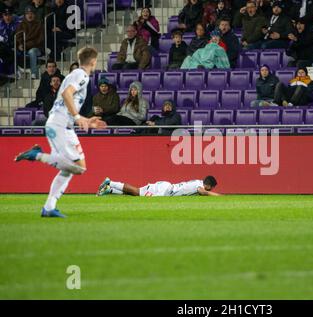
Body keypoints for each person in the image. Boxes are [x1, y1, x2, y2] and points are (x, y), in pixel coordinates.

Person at [14, 47, 106, 218]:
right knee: (78, 168)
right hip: (59, 124)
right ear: (93, 61)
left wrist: (86, 121)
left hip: (64, 124)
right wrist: (78, 117)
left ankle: (49, 207)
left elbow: (67, 100)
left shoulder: (75, 75)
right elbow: (66, 94)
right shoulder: (81, 75)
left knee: (73, 169)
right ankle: (37, 155)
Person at [96, 175, 220, 197]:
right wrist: (220, 196)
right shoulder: (200, 186)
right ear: (209, 186)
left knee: (137, 194)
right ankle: (110, 182)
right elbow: (203, 192)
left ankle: (110, 189)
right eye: (212, 188)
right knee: (137, 192)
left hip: (166, 188)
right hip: (165, 190)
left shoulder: (197, 181)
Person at [15, 5, 44, 79]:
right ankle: (16, 72)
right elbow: (18, 37)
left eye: (31, 13)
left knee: (32, 51)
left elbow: (40, 40)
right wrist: (20, 44)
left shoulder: (39, 24)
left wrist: (26, 45)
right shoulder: (21, 24)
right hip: (24, 47)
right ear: (25, 15)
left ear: (34, 14)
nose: (29, 15)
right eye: (27, 14)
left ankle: (33, 73)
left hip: (37, 48)